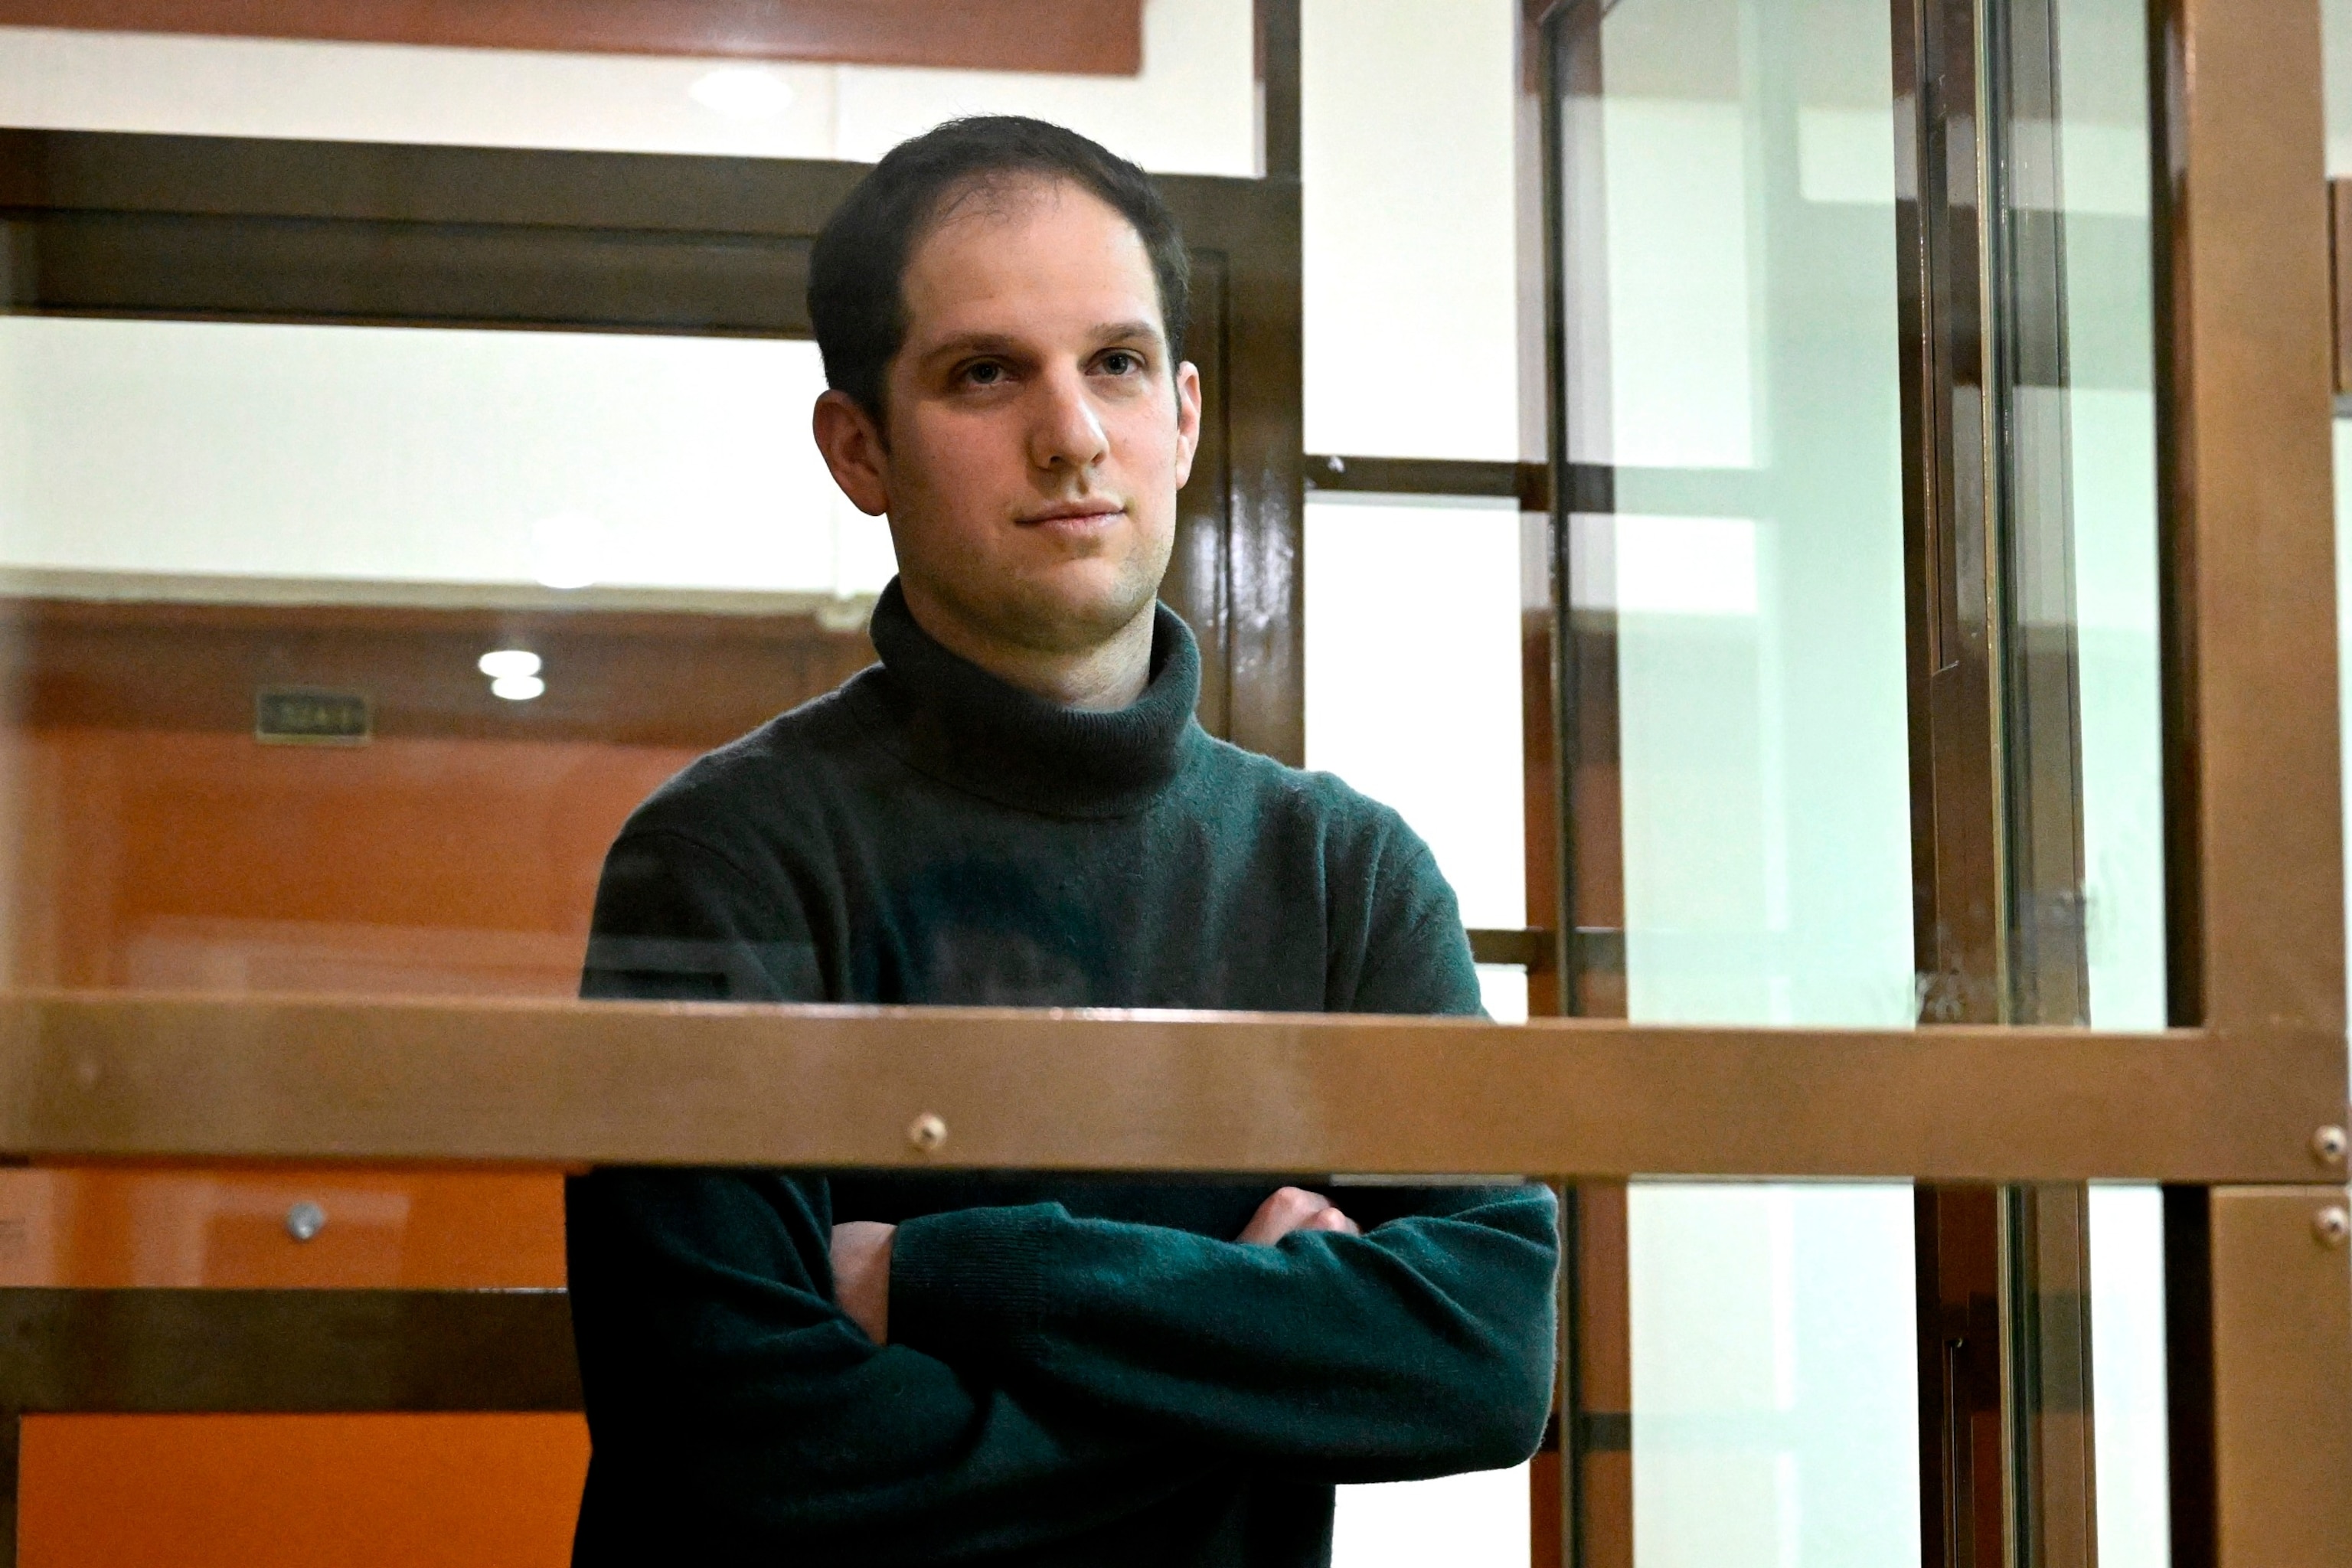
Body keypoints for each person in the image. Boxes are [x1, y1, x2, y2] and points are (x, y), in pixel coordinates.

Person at [565, 115, 1558, 1566]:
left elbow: (1481, 1359)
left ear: (1187, 417)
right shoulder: (727, 856)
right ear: (860, 450)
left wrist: (957, 1276)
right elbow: (741, 1445)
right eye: (986, 372)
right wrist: (1259, 1357)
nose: (1075, 433)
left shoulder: (1344, 873)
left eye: (1117, 363)